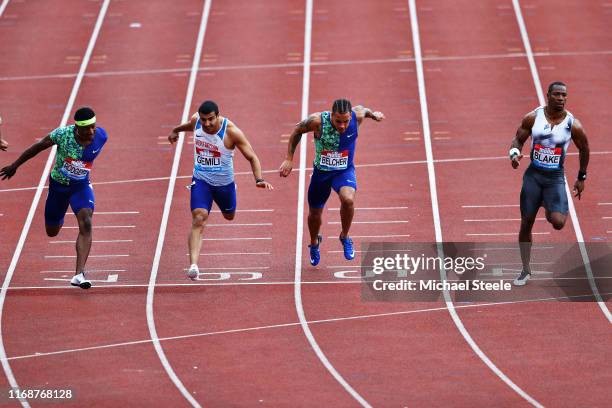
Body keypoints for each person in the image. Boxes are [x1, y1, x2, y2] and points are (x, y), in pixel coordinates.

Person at [0, 107, 108, 289]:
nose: (91, 132)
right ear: (76, 128)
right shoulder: (62, 135)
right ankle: (60, 215)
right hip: (58, 187)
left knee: (86, 221)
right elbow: (37, 147)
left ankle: (79, 274)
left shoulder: (101, 136)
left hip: (80, 187)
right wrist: (15, 165)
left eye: (93, 127)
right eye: (86, 128)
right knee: (52, 231)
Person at [169, 100, 273, 280]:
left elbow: (252, 157)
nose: (207, 124)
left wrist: (259, 179)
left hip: (224, 184)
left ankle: (230, 197)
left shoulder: (231, 132)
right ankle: (193, 265)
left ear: (218, 116)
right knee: (199, 217)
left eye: (210, 119)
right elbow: (189, 125)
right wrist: (175, 130)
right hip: (201, 180)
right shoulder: (197, 122)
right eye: (204, 120)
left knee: (229, 216)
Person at [279, 98, 385, 266]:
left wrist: (374, 115)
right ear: (331, 115)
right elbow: (297, 131)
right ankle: (314, 242)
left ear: (351, 116)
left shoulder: (357, 116)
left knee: (348, 199)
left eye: (345, 121)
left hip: (344, 171)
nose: (342, 126)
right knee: (314, 214)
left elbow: (364, 109)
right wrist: (289, 159)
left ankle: (345, 236)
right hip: (321, 173)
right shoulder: (317, 121)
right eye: (338, 121)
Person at [509, 81, 589, 286]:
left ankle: (547, 204)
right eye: (557, 95)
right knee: (526, 222)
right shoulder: (533, 117)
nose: (561, 99)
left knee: (558, 223)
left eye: (564, 95)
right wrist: (514, 154)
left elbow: (584, 149)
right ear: (548, 95)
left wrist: (581, 177)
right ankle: (525, 270)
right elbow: (518, 139)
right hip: (533, 176)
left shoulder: (573, 124)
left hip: (555, 178)